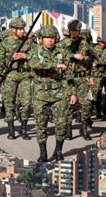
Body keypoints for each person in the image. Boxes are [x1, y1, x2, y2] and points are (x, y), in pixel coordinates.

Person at [27, 25, 77, 162]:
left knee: (61, 124)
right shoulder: (34, 51)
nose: (50, 40)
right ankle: (43, 153)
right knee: (41, 125)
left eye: (53, 37)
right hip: (40, 94)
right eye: (47, 38)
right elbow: (35, 65)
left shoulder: (63, 52)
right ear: (41, 39)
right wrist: (55, 65)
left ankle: (58, 151)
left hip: (59, 92)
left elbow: (69, 75)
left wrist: (73, 93)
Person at [0, 18, 32, 140]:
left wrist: (25, 56)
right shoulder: (5, 44)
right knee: (9, 103)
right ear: (13, 30)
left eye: (23, 29)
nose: (22, 31)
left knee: (27, 103)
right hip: (10, 75)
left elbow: (37, 57)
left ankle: (24, 129)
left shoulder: (29, 43)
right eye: (19, 29)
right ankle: (11, 130)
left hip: (25, 76)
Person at [59, 19, 94, 141]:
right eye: (73, 31)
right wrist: (73, 56)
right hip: (68, 78)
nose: (75, 33)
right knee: (69, 105)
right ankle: (68, 130)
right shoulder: (63, 44)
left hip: (83, 77)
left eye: (77, 31)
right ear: (69, 31)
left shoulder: (84, 44)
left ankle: (84, 129)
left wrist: (86, 60)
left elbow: (92, 58)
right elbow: (58, 57)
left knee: (87, 104)